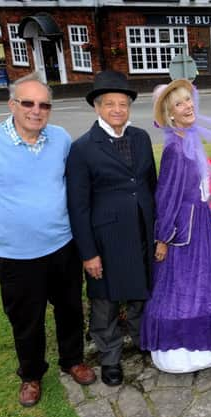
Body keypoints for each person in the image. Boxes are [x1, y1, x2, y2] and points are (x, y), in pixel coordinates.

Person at [0, 72, 95, 407]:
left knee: (70, 309)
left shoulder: (60, 138)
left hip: (63, 247)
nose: (36, 110)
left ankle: (72, 359)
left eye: (44, 104)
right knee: (26, 320)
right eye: (28, 103)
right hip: (17, 256)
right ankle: (31, 375)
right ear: (12, 104)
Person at [140, 79, 211, 373]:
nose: (187, 106)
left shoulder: (189, 139)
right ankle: (182, 351)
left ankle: (210, 348)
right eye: (179, 104)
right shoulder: (173, 148)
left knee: (205, 282)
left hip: (201, 223)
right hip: (183, 230)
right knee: (181, 286)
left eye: (188, 100)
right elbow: (166, 195)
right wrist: (163, 237)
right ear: (170, 115)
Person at [67, 70, 157, 386]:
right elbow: (77, 207)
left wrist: (157, 231)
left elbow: (150, 184)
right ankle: (110, 357)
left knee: (141, 293)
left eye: (123, 103)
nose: (117, 109)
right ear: (97, 107)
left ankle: (144, 340)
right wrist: (88, 253)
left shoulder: (141, 138)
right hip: (107, 239)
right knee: (105, 300)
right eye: (110, 104)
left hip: (142, 231)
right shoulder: (82, 148)